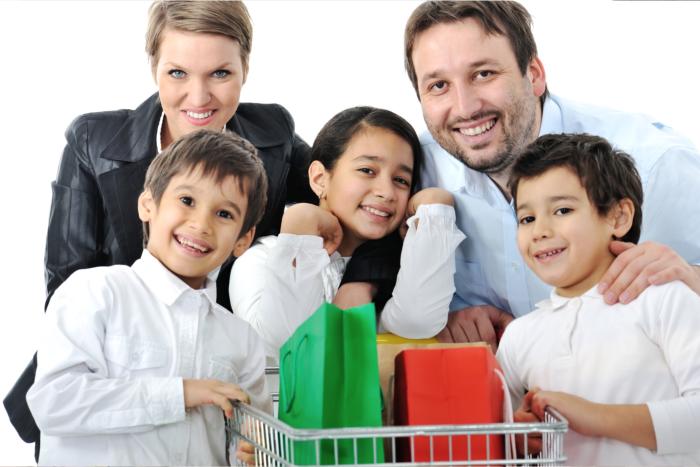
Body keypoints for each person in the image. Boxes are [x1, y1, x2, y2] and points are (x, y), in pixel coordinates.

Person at [4, 0, 390, 452]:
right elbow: (66, 289)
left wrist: (363, 279)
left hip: (220, 389)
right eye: (178, 73)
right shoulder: (95, 142)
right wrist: (169, 382)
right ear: (154, 67)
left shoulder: (273, 135)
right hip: (109, 395)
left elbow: (362, 202)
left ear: (245, 66)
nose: (200, 97)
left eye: (221, 74)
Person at [404, 1, 700, 348]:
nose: (466, 108)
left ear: (534, 75)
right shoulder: (411, 171)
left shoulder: (656, 165)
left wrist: (693, 277)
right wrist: (448, 316)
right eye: (438, 85)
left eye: (483, 74)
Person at [26, 130, 272, 466]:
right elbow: (54, 403)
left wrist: (249, 453)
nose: (201, 224)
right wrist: (180, 394)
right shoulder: (95, 292)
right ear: (148, 205)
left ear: (243, 239)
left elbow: (249, 439)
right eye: (187, 201)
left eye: (224, 214)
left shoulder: (243, 340)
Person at [495, 133, 700, 465]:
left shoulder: (664, 298)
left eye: (562, 210)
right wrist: (521, 439)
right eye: (527, 218)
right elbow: (502, 441)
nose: (540, 230)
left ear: (618, 218)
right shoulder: (520, 336)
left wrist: (590, 416)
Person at [229, 106, 465, 359]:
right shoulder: (261, 259)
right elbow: (286, 339)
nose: (386, 191)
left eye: (401, 180)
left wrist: (434, 208)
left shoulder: (403, 266)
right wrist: (300, 231)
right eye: (367, 170)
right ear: (320, 178)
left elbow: (418, 321)